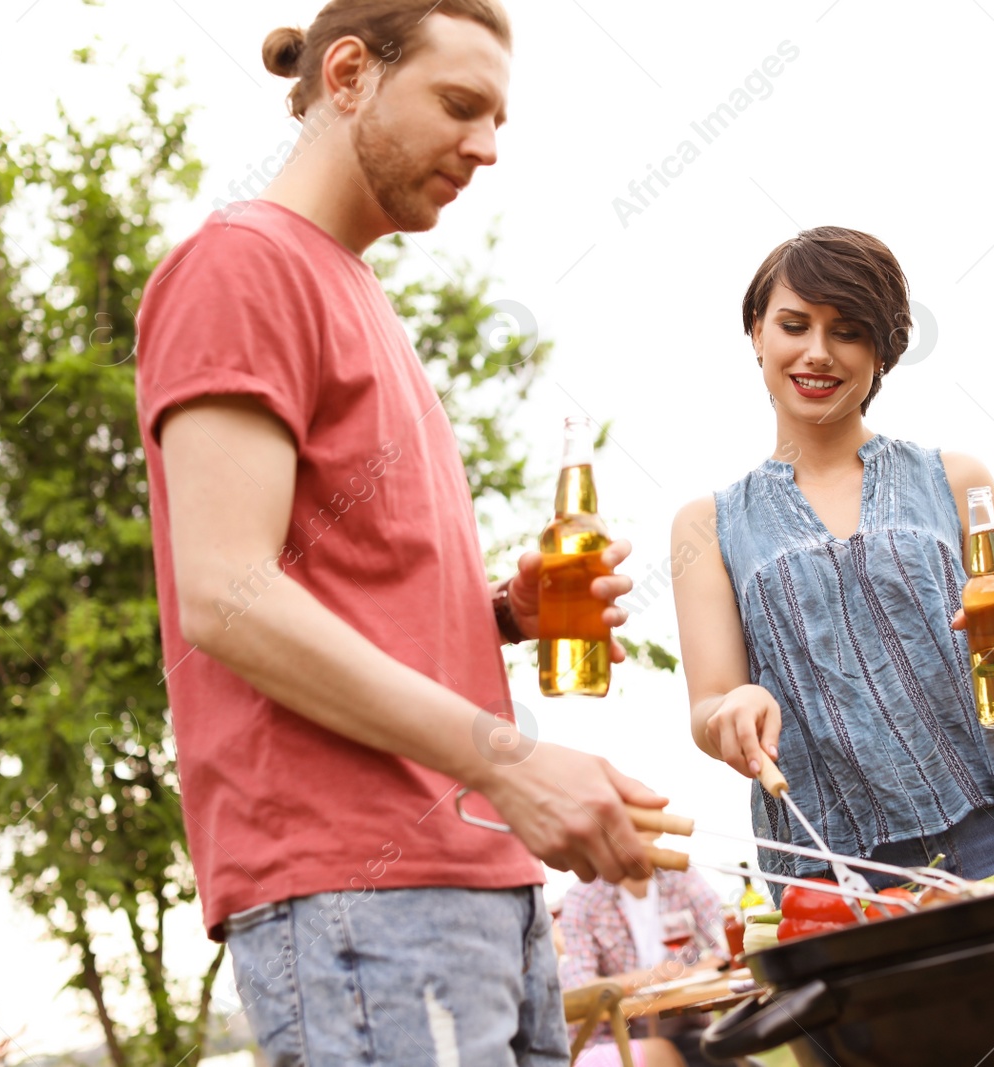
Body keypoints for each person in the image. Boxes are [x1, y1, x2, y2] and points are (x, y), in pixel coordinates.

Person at [133, 3, 665, 1063]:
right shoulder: (240, 267)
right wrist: (512, 760)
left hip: (480, 878)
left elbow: (330, 587)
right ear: (348, 76)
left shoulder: (357, 289)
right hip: (358, 891)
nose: (487, 145)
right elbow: (229, 596)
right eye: (460, 105)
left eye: (499, 119)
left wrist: (500, 613)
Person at [671, 227, 994, 896]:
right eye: (794, 324)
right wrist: (737, 704)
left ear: (882, 351)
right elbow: (708, 709)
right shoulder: (708, 524)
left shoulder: (959, 479)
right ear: (757, 331)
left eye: (846, 331)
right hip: (837, 869)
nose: (817, 352)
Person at [558, 831, 727, 1067]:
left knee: (723, 1052)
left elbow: (726, 942)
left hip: (683, 1028)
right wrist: (651, 976)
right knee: (665, 1053)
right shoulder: (584, 897)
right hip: (615, 1037)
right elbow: (579, 985)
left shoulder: (680, 876)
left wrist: (690, 971)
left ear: (655, 831)